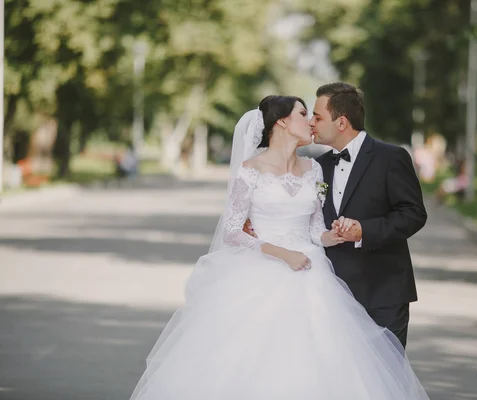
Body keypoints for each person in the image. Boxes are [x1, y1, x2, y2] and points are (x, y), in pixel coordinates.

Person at [129, 95, 430, 399]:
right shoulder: (250, 169)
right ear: (283, 121)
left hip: (313, 275)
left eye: (314, 115)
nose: (310, 122)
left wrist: (337, 234)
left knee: (321, 361)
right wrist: (281, 253)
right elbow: (233, 232)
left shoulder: (314, 169)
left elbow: (315, 231)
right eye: (304, 114)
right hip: (264, 273)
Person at [247, 83, 427, 348]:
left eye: (318, 117)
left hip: (382, 292)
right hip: (331, 291)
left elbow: (413, 214)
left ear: (341, 122)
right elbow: (306, 220)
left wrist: (364, 230)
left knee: (385, 381)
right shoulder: (315, 168)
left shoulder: (391, 158)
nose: (311, 123)